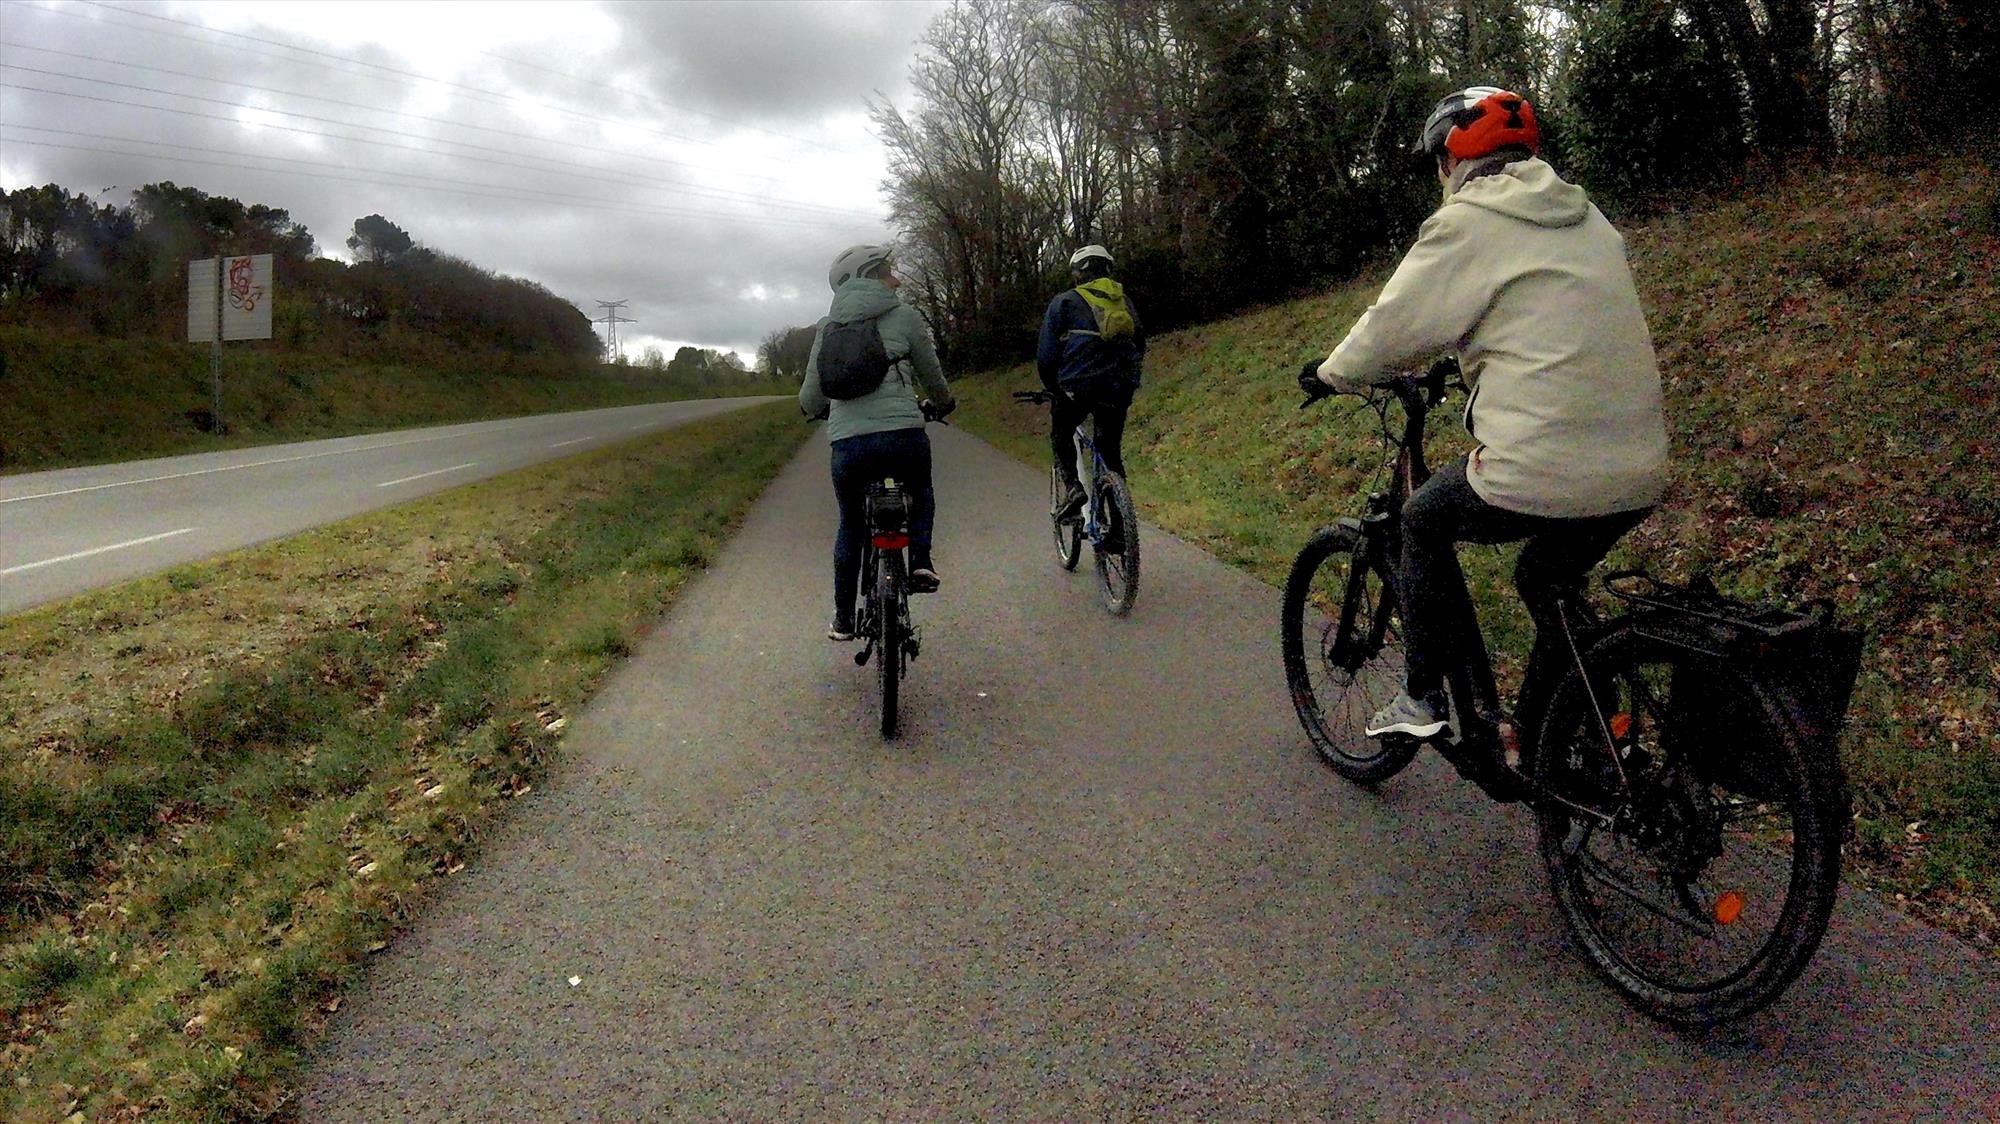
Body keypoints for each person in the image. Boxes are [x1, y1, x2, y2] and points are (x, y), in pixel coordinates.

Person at [1299, 86, 1668, 741]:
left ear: (1453, 158)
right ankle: (1566, 729)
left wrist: (1332, 374)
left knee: (1422, 520)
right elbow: (1541, 316)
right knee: (1545, 575)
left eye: (1438, 162)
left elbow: (1393, 325)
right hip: (1639, 465)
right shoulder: (1588, 218)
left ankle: (1421, 700)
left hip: (1547, 462)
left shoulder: (1469, 221)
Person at [800, 243, 955, 642]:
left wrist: (821, 412)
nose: (897, 278)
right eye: (889, 270)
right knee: (920, 490)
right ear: (871, 275)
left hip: (849, 446)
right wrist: (943, 403)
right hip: (904, 435)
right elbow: (931, 373)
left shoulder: (826, 328)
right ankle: (919, 560)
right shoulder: (905, 316)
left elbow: (809, 399)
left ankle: (843, 617)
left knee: (851, 522)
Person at [1036, 244, 1145, 527]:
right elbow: (1140, 344)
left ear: (1078, 274)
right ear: (1107, 269)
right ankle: (1121, 529)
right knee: (1110, 451)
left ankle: (1073, 488)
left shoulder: (1065, 302)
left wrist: (1054, 388)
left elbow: (1046, 357)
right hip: (1120, 386)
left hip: (1078, 387)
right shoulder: (1125, 302)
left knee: (1061, 434)